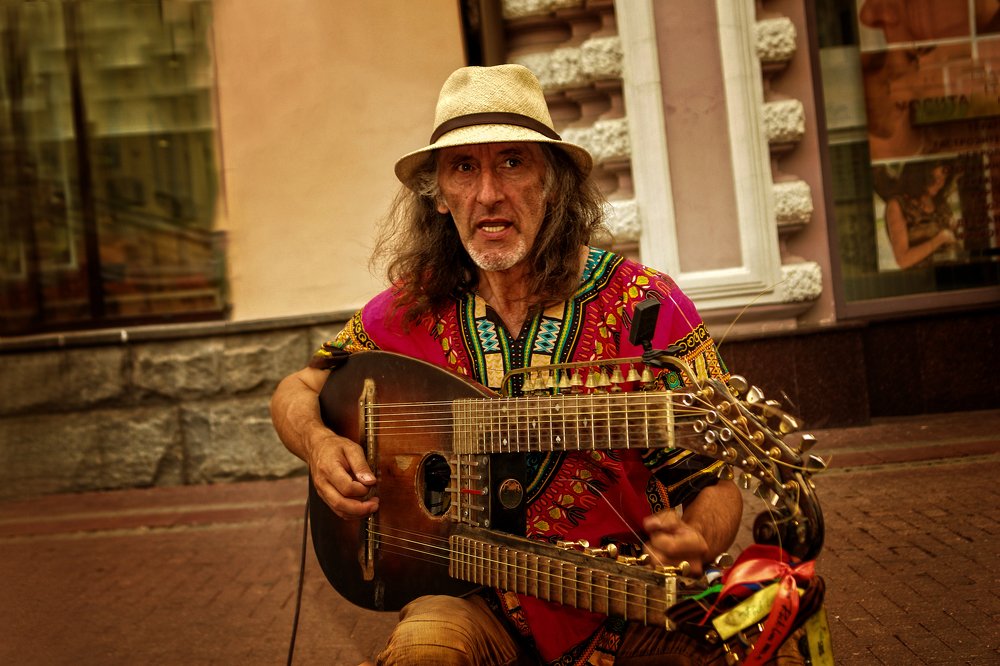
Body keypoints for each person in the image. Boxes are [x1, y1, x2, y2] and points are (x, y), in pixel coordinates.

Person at [270, 65, 804, 665]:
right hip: (470, 600)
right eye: (464, 168)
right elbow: (299, 386)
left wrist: (696, 540)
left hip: (618, 607)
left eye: (513, 162)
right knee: (426, 647)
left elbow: (714, 485)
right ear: (439, 196)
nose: (488, 194)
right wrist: (318, 444)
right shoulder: (410, 308)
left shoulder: (645, 306)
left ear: (552, 183)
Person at [883, 161, 960, 269]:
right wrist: (940, 239)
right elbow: (902, 260)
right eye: (934, 178)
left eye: (944, 178)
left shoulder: (939, 201)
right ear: (918, 176)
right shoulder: (897, 205)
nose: (940, 183)